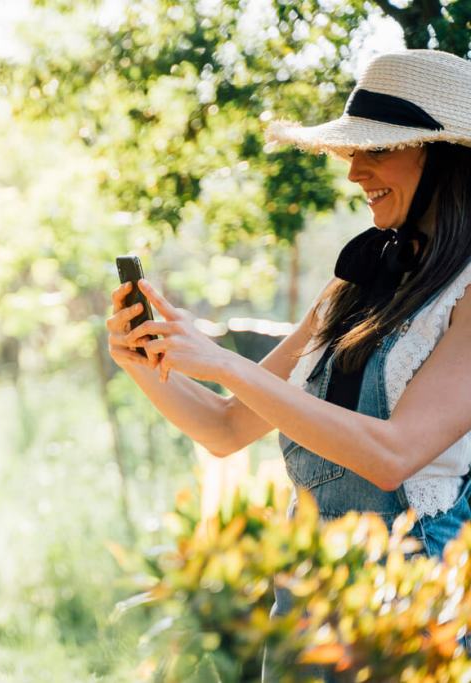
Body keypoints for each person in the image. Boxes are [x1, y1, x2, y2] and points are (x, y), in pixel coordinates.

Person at [107, 49, 471, 676]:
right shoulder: (356, 285)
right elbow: (225, 428)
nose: (355, 171)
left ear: (441, 157)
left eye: (377, 150)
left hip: (411, 595)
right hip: (310, 585)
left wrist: (224, 362)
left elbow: (392, 455)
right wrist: (143, 357)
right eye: (356, 151)